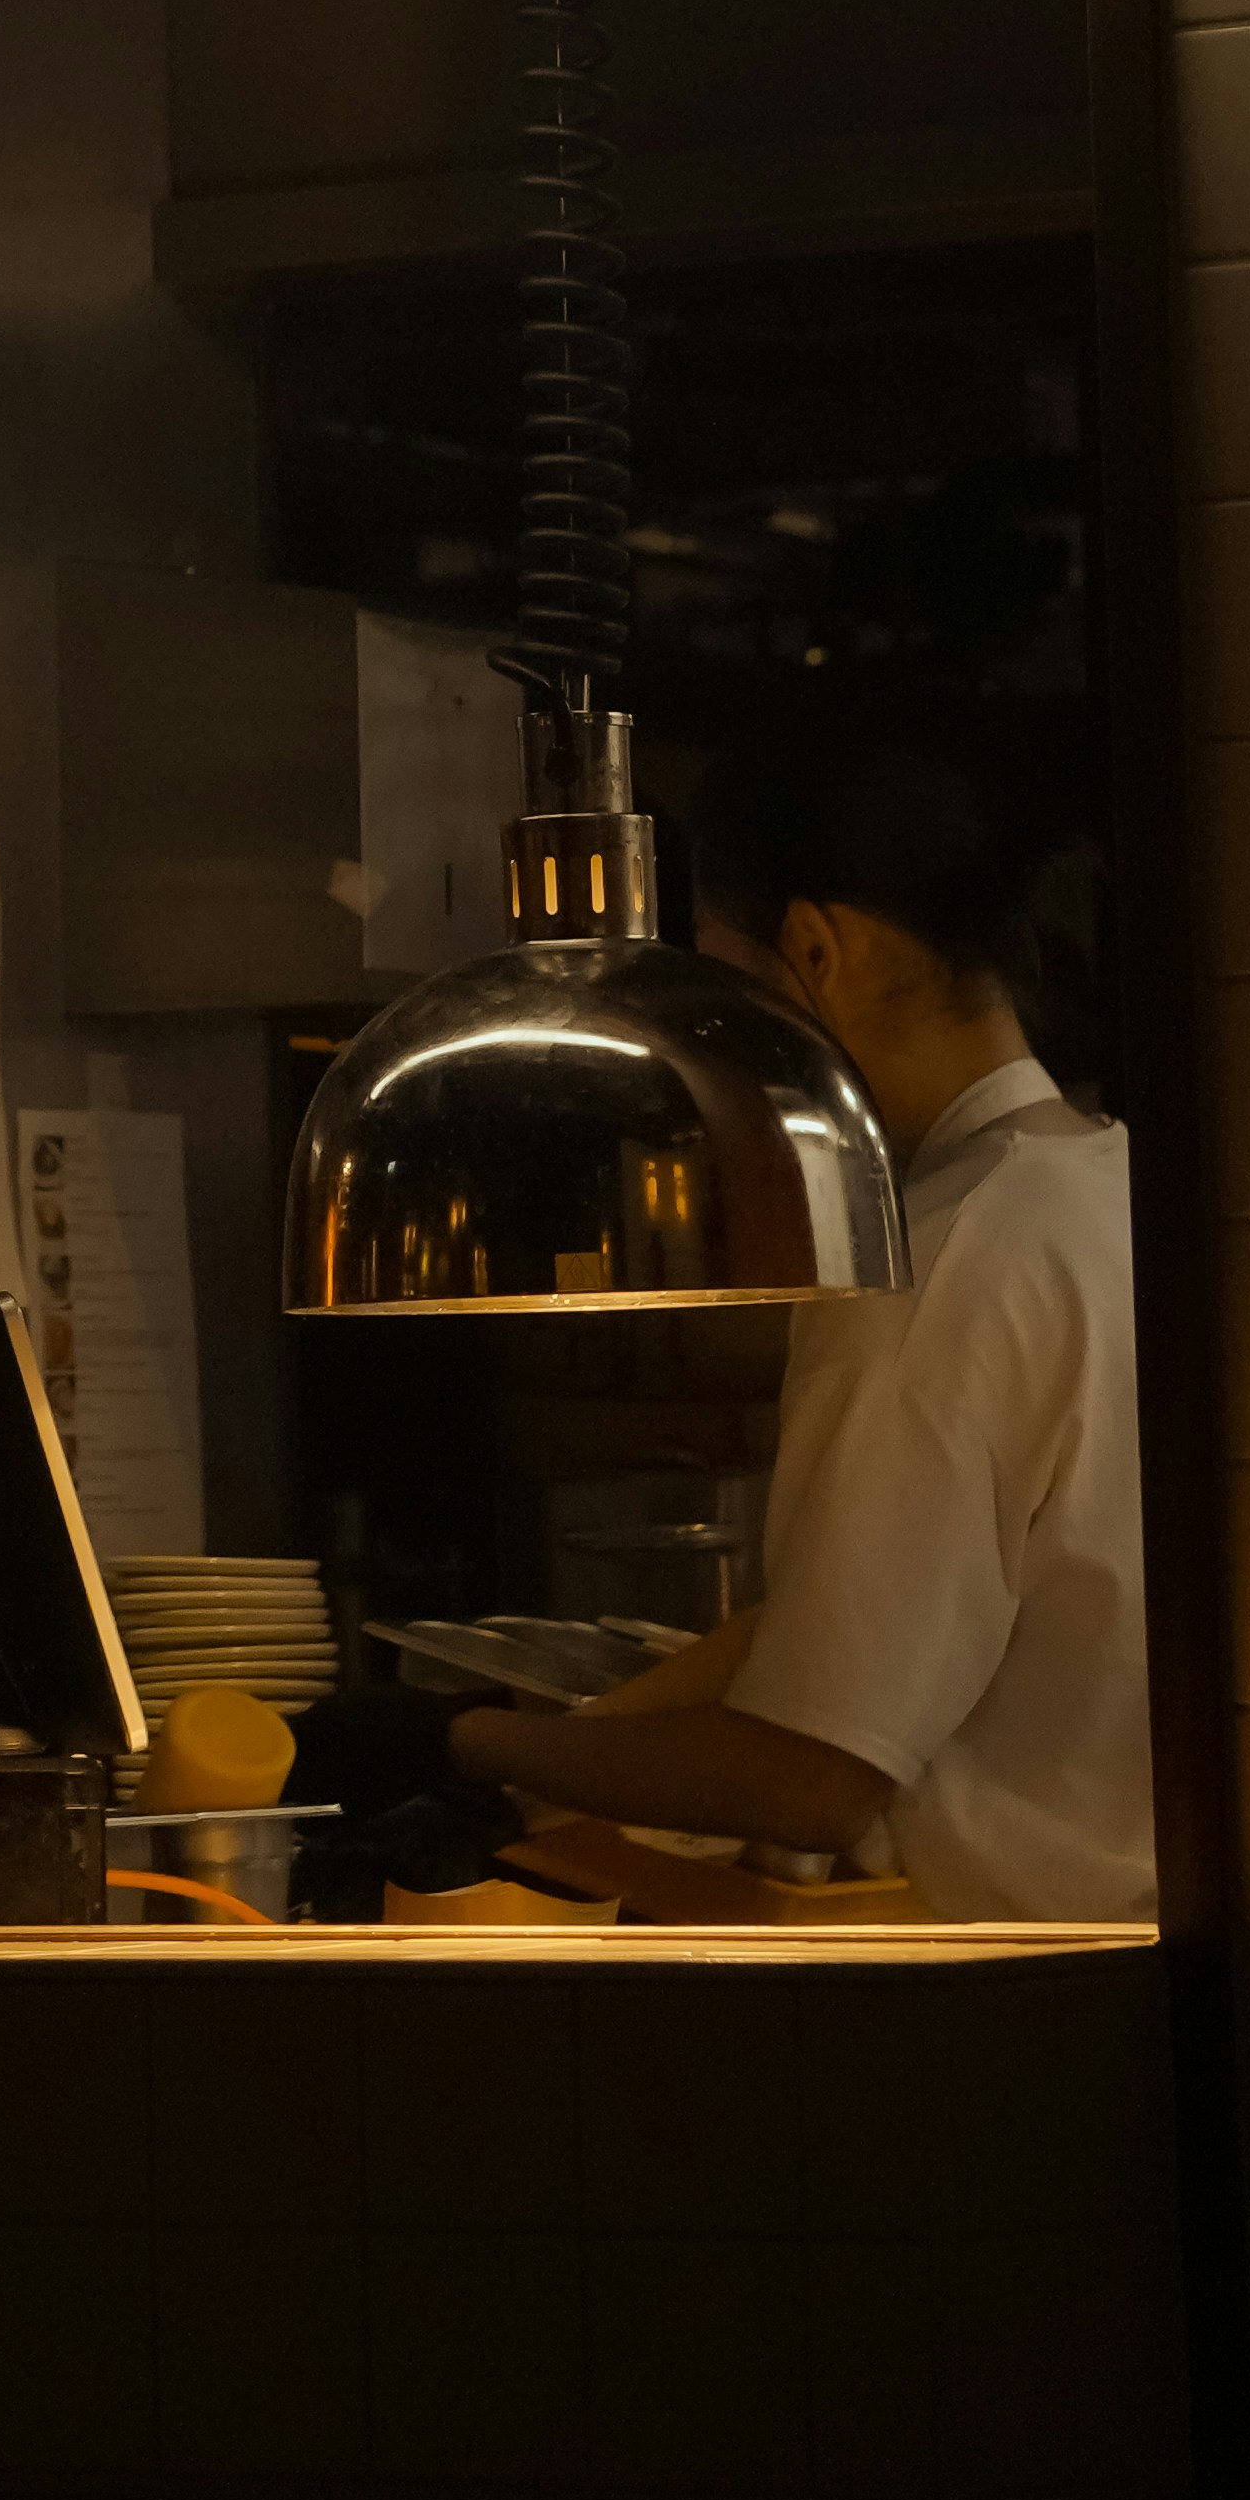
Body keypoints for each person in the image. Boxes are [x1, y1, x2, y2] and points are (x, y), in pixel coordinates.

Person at [436, 732, 1152, 1921]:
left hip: (1016, 2002)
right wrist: (590, 1731)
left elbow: (809, 1779)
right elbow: (903, 1608)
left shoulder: (937, 1259)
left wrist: (465, 1746)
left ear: (817, 948)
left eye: (727, 983)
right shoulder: (1111, 1186)